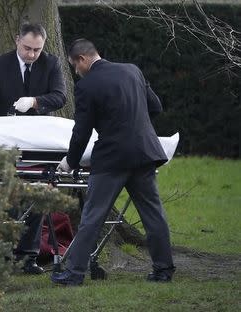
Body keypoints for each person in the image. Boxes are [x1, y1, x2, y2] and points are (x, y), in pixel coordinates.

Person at [51, 39, 175, 286]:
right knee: (153, 214)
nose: (77, 72)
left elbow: (82, 132)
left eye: (75, 67)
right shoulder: (132, 70)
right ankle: (163, 270)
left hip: (111, 159)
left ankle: (74, 273)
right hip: (144, 153)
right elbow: (156, 106)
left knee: (92, 216)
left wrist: (70, 162)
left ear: (83, 59)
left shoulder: (87, 86)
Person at [0, 23, 67, 274]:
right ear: (17, 40)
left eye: (37, 50)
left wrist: (36, 101)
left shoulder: (51, 63)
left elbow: (60, 96)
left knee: (36, 195)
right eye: (27, 48)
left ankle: (29, 256)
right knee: (1, 192)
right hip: (3, 137)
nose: (31, 55)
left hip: (38, 140)